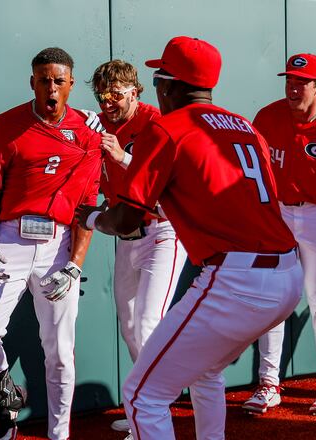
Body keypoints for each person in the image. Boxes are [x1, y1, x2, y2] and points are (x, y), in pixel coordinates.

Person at [77, 36, 304, 440]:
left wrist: (93, 218)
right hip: (286, 273)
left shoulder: (167, 128)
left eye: (159, 79)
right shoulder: (245, 126)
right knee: (205, 371)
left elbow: (128, 219)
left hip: (236, 278)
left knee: (142, 395)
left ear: (168, 85)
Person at [0, 47, 102, 440]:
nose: (51, 88)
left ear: (71, 84)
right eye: (44, 80)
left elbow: (87, 206)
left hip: (58, 245)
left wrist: (75, 264)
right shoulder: (6, 125)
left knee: (59, 352)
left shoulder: (90, 133)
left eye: (59, 81)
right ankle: (6, 396)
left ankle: (59, 434)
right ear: (32, 82)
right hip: (10, 239)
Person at [242, 53, 316, 416]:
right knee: (272, 299)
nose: (293, 88)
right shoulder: (267, 116)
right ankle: (268, 384)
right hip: (277, 214)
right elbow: (252, 171)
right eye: (289, 80)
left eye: (302, 82)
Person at [88, 60, 187, 436]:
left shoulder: (155, 121)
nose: (108, 101)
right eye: (103, 95)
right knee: (131, 325)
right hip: (125, 236)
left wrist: (121, 157)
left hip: (162, 231)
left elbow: (167, 183)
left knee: (148, 323)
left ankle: (152, 416)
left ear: (135, 91)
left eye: (116, 93)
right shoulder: (99, 123)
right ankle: (143, 409)